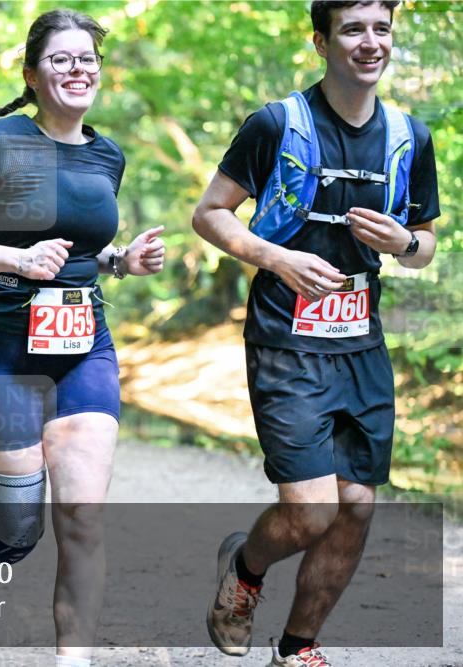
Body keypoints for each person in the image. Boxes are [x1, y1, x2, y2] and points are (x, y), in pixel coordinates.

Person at [191, 2, 440, 665]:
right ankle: (245, 567)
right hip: (286, 340)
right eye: (354, 29)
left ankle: (297, 647)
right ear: (321, 41)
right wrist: (275, 257)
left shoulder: (409, 135)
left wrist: (407, 240)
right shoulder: (277, 124)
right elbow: (209, 213)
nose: (370, 42)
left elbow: (426, 247)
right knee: (311, 513)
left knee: (356, 505)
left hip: (361, 339)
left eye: (381, 29)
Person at [0, 9, 166, 663]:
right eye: (61, 59)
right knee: (19, 526)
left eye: (88, 57)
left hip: (83, 341)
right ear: (32, 75)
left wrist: (122, 260)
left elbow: (85, 246)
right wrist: (16, 259)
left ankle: (73, 659)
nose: (78, 68)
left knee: (82, 517)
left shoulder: (107, 154)